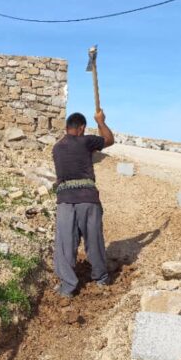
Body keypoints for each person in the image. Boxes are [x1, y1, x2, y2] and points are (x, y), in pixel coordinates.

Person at [52, 110, 115, 297]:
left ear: (66, 128)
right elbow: (109, 140)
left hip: (64, 201)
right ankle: (101, 279)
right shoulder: (86, 141)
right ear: (81, 129)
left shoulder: (56, 148)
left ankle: (67, 286)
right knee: (94, 240)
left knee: (65, 245)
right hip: (87, 199)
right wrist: (101, 122)